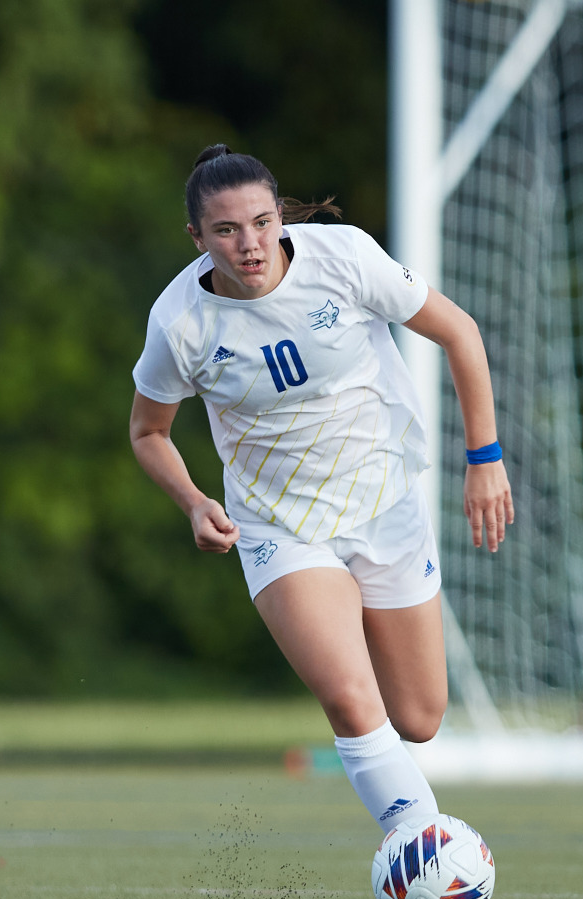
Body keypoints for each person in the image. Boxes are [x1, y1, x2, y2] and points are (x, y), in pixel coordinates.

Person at [129, 145, 513, 838]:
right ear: (195, 237)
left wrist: (483, 457)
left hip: (384, 502)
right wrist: (193, 500)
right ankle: (423, 847)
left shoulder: (343, 258)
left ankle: (417, 830)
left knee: (420, 718)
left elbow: (460, 331)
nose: (249, 244)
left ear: (280, 215)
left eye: (261, 221)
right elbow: (147, 432)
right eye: (225, 230)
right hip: (280, 527)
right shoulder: (179, 323)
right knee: (348, 697)